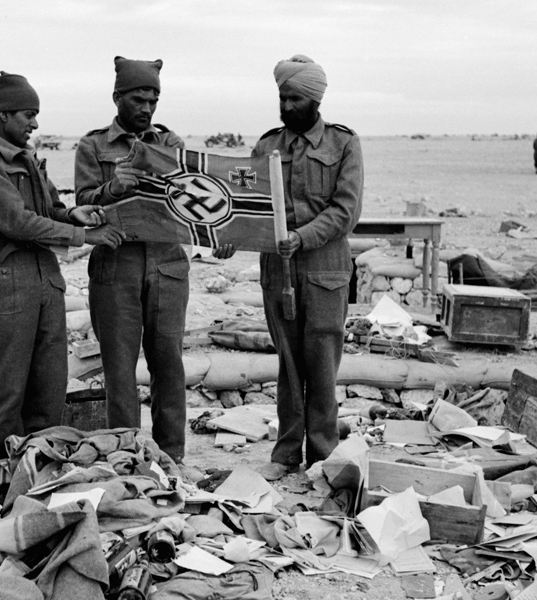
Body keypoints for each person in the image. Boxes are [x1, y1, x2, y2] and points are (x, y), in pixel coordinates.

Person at [0, 71, 125, 484]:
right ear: (2, 115)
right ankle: (1, 483)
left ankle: (42, 476)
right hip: (7, 276)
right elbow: (16, 221)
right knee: (9, 392)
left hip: (45, 277)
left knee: (50, 388)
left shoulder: (27, 156)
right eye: (28, 115)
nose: (34, 124)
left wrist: (72, 214)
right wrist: (83, 235)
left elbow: (48, 206)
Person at [75, 57, 233, 466]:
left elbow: (199, 199)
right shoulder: (93, 146)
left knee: (168, 364)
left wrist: (225, 235)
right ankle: (128, 458)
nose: (147, 107)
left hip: (166, 265)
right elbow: (82, 204)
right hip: (116, 265)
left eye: (154, 99)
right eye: (139, 99)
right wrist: (112, 188)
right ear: (117, 98)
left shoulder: (171, 145)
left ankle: (171, 459)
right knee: (119, 370)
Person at [252, 55, 364, 481]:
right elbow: (252, 206)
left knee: (320, 363)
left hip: (324, 268)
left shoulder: (344, 144)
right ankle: (285, 454)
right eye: (281, 97)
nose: (285, 105)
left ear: (315, 99)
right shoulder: (267, 146)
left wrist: (303, 237)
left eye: (294, 98)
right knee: (287, 363)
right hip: (277, 270)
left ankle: (321, 454)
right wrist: (232, 236)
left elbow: (345, 211)